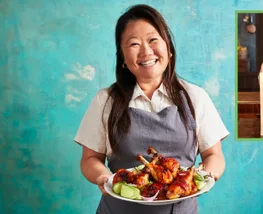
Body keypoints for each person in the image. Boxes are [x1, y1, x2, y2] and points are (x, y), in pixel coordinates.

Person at [73, 4, 229, 214]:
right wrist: (105, 178)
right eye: (134, 44)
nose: (146, 51)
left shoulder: (195, 97)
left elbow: (214, 155)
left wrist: (206, 176)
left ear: (169, 48)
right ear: (123, 59)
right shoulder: (105, 100)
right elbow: (90, 159)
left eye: (153, 40)